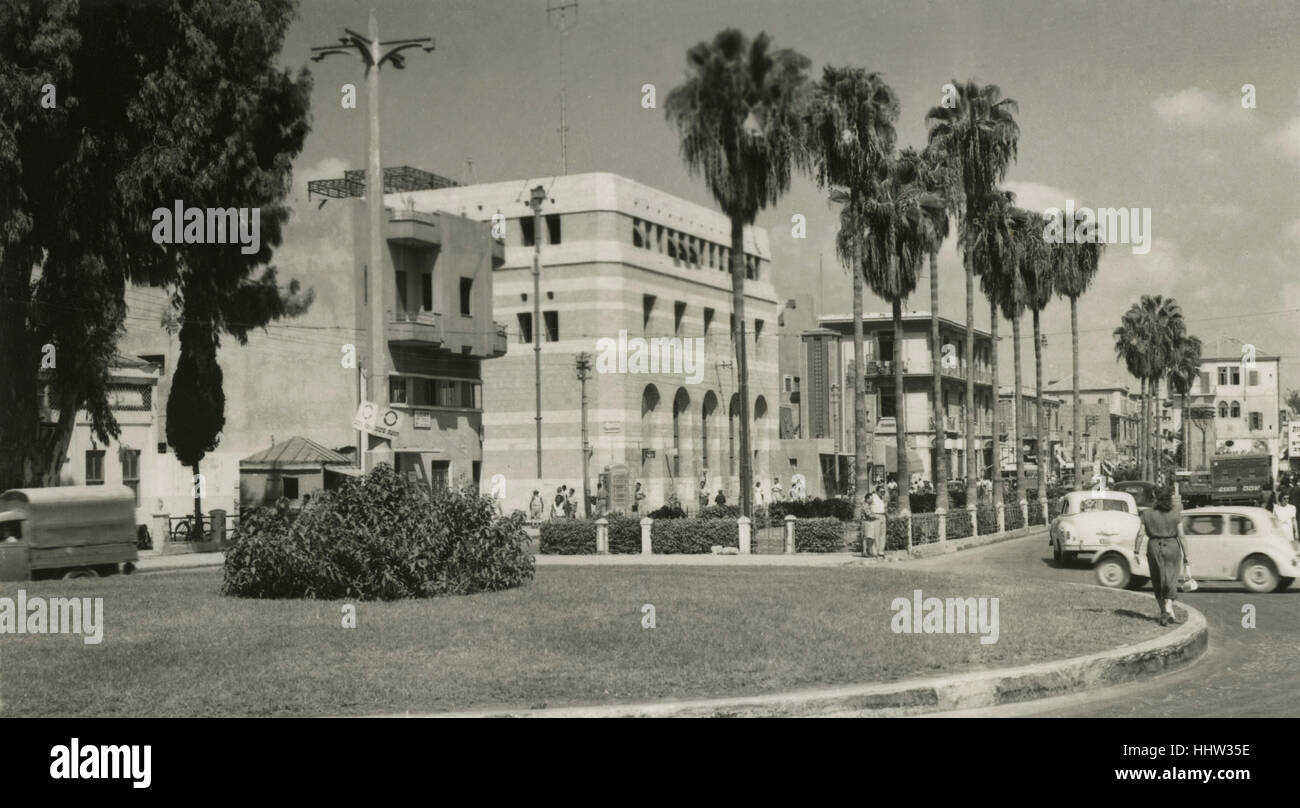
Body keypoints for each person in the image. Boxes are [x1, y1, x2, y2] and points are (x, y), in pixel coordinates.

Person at [1135, 486, 1185, 626]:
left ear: (1155, 497)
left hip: (1154, 547)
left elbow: (1140, 534)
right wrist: (1187, 555)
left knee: (1157, 579)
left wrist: (1136, 551)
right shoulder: (1176, 513)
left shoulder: (1147, 514)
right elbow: (1181, 536)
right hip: (1172, 547)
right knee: (1171, 577)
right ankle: (1169, 605)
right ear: (1169, 497)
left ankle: (1164, 612)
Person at [865, 484, 888, 558]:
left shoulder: (883, 498)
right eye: (881, 491)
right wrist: (870, 514)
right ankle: (874, 551)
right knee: (876, 534)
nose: (883, 493)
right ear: (877, 491)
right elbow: (866, 504)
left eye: (883, 491)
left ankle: (881, 551)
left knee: (882, 534)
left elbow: (885, 507)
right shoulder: (873, 497)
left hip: (883, 516)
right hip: (876, 516)